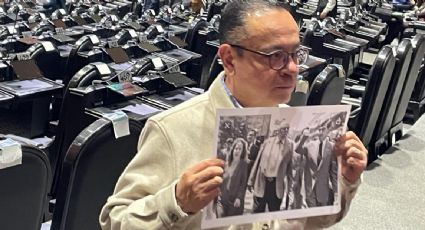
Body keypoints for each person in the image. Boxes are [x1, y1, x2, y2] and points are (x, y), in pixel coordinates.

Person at [99, 0, 368, 229]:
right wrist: (177, 201)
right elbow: (114, 221)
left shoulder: (296, 126)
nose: (292, 68)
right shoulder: (173, 128)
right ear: (229, 60)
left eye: (296, 54)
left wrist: (343, 181)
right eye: (275, 56)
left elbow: (311, 221)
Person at [247, 123, 294, 212]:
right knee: (257, 211)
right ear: (278, 130)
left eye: (287, 129)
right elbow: (257, 162)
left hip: (277, 185)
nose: (286, 131)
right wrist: (251, 180)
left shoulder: (289, 145)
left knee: (274, 213)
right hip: (262, 182)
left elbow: (290, 168)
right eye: (284, 129)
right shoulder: (267, 142)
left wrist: (290, 188)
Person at [216, 138, 249, 217]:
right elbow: (220, 180)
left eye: (240, 149)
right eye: (236, 148)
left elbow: (243, 184)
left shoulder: (243, 165)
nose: (237, 151)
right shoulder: (226, 163)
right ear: (233, 149)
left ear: (242, 152)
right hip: (222, 200)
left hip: (234, 202)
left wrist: (239, 198)